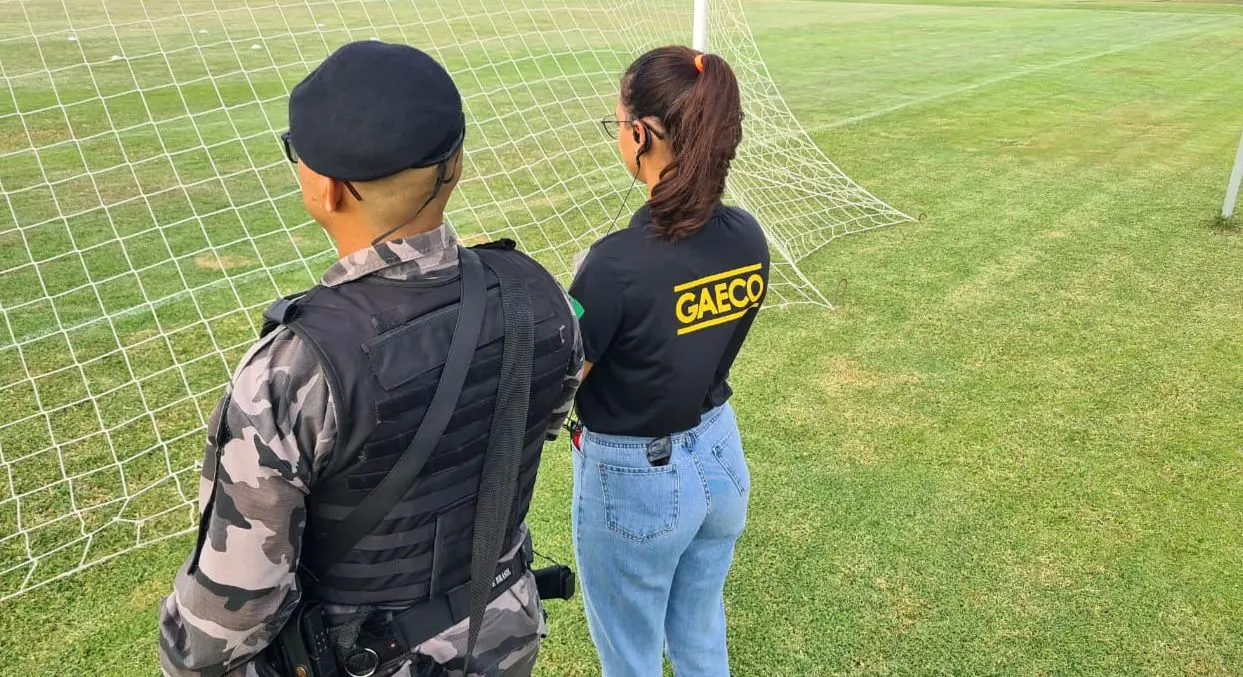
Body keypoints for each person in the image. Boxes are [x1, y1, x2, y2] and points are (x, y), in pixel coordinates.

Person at [157, 40, 583, 677]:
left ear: (326, 188)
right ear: (455, 164)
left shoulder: (292, 370)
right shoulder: (538, 293)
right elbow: (541, 423)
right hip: (500, 632)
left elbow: (225, 619)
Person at [567, 46, 768, 676]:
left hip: (638, 480)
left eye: (618, 123)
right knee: (700, 632)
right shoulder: (748, 236)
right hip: (720, 457)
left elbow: (560, 383)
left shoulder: (612, 266)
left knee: (631, 657)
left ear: (641, 135)